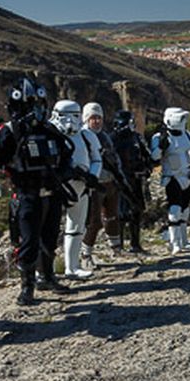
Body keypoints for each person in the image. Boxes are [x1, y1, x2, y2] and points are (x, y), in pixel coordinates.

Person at [0, 78, 75, 305]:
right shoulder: (10, 131)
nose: (36, 109)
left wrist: (63, 174)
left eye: (39, 103)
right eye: (30, 104)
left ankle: (48, 277)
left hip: (51, 192)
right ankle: (27, 287)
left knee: (50, 237)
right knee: (28, 241)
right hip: (26, 194)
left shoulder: (49, 130)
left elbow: (66, 156)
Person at [51, 100, 101, 280]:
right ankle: (45, 271)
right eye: (66, 116)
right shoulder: (50, 133)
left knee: (76, 227)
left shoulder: (87, 136)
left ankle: (72, 267)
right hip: (55, 186)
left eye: (75, 115)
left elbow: (96, 159)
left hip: (81, 186)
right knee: (49, 229)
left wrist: (92, 176)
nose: (70, 121)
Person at [151, 107, 190, 253]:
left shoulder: (188, 134)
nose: (183, 121)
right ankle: (174, 242)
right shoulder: (159, 137)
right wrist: (160, 147)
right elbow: (154, 158)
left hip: (187, 175)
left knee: (185, 209)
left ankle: (184, 241)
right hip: (172, 176)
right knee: (175, 208)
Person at [82, 102, 125, 267]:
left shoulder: (105, 136)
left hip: (110, 181)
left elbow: (114, 158)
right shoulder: (83, 136)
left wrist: (118, 176)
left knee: (112, 216)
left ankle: (116, 248)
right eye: (93, 118)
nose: (97, 121)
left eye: (99, 117)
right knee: (94, 221)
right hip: (94, 184)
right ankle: (86, 255)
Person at [111, 109, 152, 253]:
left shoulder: (136, 137)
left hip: (137, 178)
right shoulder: (113, 139)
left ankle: (135, 243)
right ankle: (119, 244)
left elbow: (146, 154)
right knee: (121, 212)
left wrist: (147, 168)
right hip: (121, 179)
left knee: (137, 210)